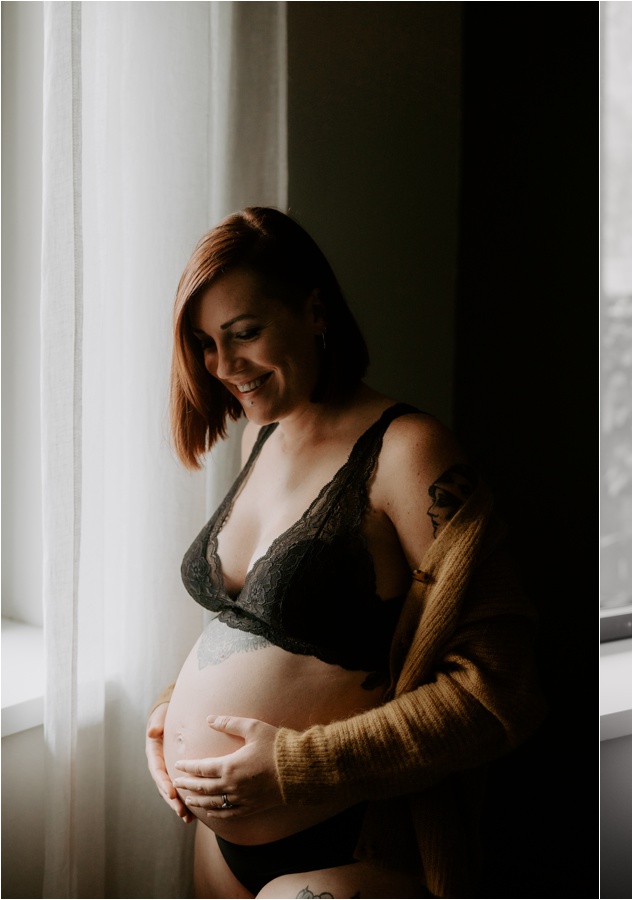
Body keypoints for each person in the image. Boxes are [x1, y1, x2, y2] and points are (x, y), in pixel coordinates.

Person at [143, 207, 543, 899]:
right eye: (206, 343)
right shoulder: (261, 437)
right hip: (220, 848)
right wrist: (172, 715)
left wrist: (295, 766)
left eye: (245, 334)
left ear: (315, 311)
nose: (223, 366)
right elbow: (258, 626)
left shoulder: (409, 451)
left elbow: (501, 687)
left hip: (350, 841)